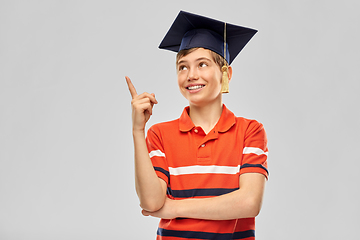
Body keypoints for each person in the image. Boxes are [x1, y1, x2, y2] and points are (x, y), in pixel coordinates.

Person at [126, 11, 268, 240]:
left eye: (202, 64)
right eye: (182, 67)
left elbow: (249, 202)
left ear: (226, 74)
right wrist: (137, 130)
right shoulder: (160, 134)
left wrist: (175, 208)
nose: (191, 75)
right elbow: (151, 202)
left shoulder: (250, 131)